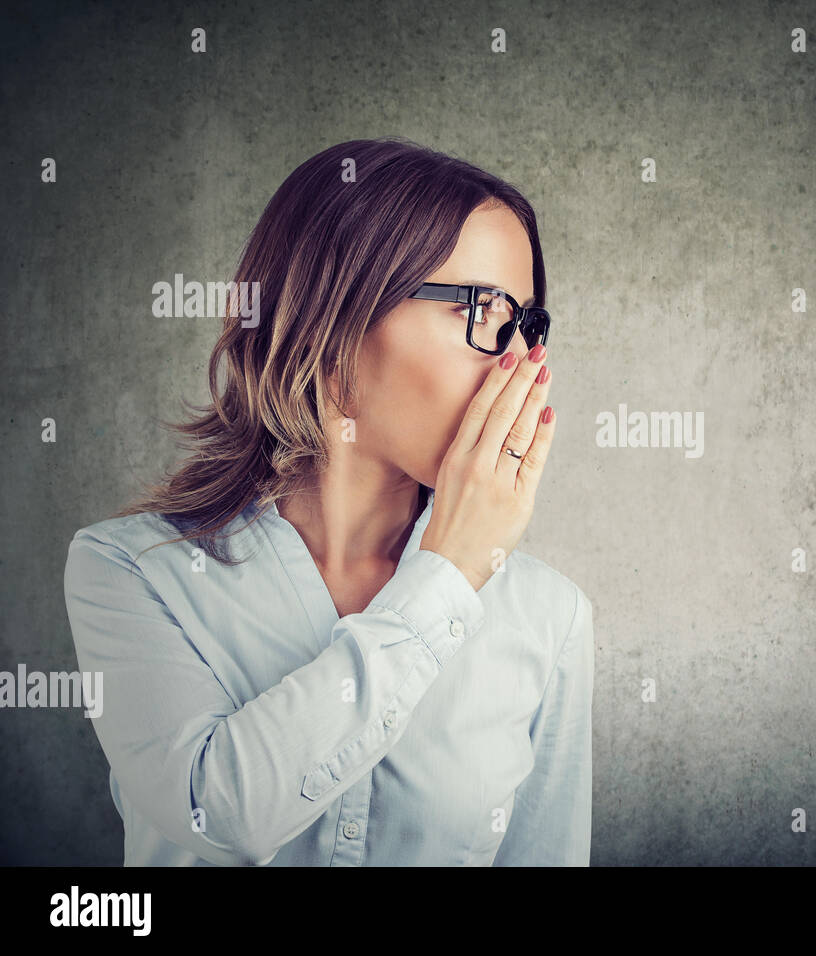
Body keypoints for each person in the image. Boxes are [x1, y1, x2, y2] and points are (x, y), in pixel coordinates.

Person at [62, 137, 594, 866]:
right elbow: (219, 814)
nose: (518, 367)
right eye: (484, 310)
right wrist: (446, 572)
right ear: (336, 317)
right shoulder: (131, 572)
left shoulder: (548, 617)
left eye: (527, 327)